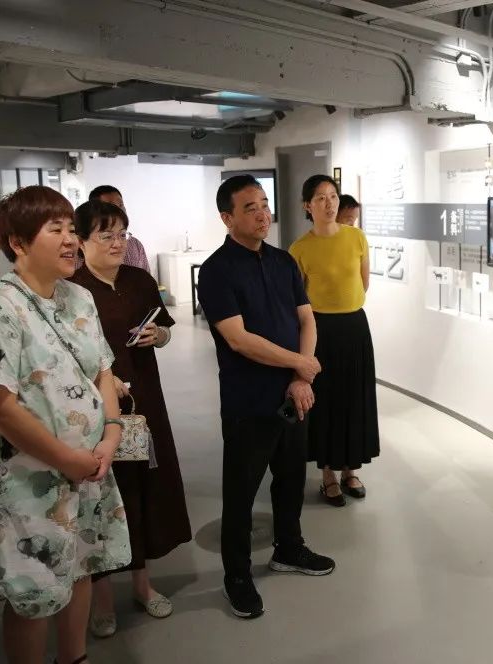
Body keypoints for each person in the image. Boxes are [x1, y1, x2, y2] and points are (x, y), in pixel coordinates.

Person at [0, 186, 131, 664]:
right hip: (29, 480)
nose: (71, 240)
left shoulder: (79, 298)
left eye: (71, 229)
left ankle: (73, 657)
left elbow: (102, 370)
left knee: (80, 565)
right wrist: (68, 459)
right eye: (55, 229)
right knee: (33, 591)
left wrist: (112, 433)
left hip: (88, 467)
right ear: (18, 243)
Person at [197, 174, 335, 620]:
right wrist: (300, 364)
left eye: (264, 204)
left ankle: (289, 548)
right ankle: (236, 575)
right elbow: (238, 339)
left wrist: (300, 375)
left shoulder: (283, 261)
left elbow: (306, 319)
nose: (262, 214)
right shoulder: (217, 271)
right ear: (227, 218)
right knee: (241, 492)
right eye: (250, 207)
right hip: (248, 400)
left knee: (291, 477)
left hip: (294, 393)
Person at [68, 200, 192, 638]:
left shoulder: (140, 281)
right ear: (82, 241)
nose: (117, 242)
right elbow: (67, 355)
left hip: (144, 399)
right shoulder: (72, 290)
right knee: (103, 494)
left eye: (122, 234)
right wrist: (103, 380)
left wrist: (160, 335)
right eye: (106, 235)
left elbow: (166, 329)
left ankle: (142, 584)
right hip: (95, 408)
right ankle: (102, 599)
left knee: (142, 488)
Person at [289, 175, 380, 507]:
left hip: (355, 327)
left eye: (333, 196)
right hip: (319, 330)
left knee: (354, 398)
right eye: (320, 198)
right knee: (326, 401)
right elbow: (298, 302)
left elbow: (363, 284)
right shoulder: (299, 248)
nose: (329, 203)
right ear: (307, 206)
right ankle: (328, 475)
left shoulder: (356, 237)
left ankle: (350, 471)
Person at [69, 185, 149, 273]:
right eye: (107, 236)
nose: (118, 211)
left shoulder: (135, 244)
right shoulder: (73, 255)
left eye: (121, 205)